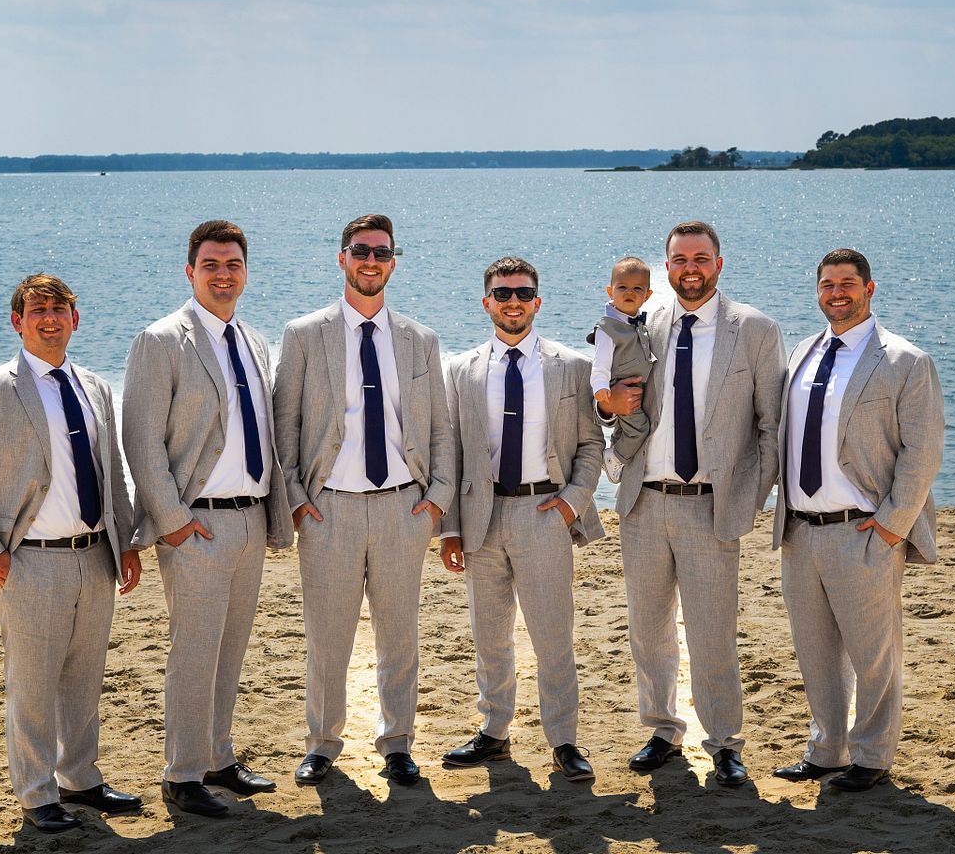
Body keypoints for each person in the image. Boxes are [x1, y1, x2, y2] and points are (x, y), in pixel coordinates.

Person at [0, 273, 142, 833]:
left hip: (94, 557)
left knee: (84, 679)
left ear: (75, 320)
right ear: (18, 322)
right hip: (28, 561)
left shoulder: (96, 388)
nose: (50, 318)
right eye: (37, 311)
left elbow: (112, 478)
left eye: (59, 309)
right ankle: (37, 795)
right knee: (32, 685)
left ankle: (80, 778)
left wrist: (125, 543)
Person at [597, 221, 785, 785]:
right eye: (679, 259)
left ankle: (725, 741)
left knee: (712, 630)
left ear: (719, 264)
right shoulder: (643, 323)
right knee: (648, 627)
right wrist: (607, 410)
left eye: (701, 258)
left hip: (711, 505)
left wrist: (748, 499)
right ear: (666, 267)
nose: (690, 268)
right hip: (644, 502)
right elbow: (613, 399)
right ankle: (662, 730)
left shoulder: (754, 329)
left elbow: (771, 427)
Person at [273, 213, 456, 788]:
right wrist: (300, 502)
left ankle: (397, 742)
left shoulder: (420, 339)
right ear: (342, 259)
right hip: (331, 510)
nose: (370, 261)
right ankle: (324, 742)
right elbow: (285, 428)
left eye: (380, 252)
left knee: (399, 633)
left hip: (405, 507)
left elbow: (442, 429)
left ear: (393, 262)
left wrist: (436, 502)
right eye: (360, 251)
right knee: (328, 636)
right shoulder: (305, 334)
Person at [123, 220, 293, 818]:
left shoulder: (252, 339)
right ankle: (183, 773)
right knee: (193, 652)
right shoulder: (162, 340)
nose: (224, 274)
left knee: (230, 649)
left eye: (234, 264)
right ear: (189, 271)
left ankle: (219, 757)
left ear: (246, 272)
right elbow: (141, 440)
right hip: (195, 523)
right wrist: (171, 520)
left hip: (249, 520)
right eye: (211, 265)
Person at [771, 249, 944, 792]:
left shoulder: (904, 361)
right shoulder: (802, 351)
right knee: (815, 650)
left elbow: (923, 450)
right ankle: (826, 749)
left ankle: (871, 756)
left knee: (873, 653)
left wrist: (894, 524)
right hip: (800, 530)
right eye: (827, 284)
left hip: (863, 530)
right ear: (817, 291)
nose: (836, 292)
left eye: (848, 283)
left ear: (870, 289)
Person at [439, 257, 605, 782]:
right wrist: (450, 527)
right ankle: (494, 733)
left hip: (543, 514)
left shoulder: (571, 368)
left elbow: (590, 444)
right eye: (503, 293)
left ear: (538, 300)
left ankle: (564, 741)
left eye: (523, 293)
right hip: (481, 517)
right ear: (487, 301)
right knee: (490, 637)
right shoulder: (460, 370)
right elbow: (450, 454)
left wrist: (570, 502)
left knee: (553, 635)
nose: (513, 301)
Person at [587, 256, 656, 483]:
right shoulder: (607, 328)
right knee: (640, 429)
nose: (630, 292)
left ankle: (616, 453)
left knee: (626, 430)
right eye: (622, 287)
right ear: (610, 291)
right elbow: (601, 361)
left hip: (637, 390)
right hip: (622, 391)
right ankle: (615, 457)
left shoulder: (638, 323)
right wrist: (600, 387)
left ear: (647, 295)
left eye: (637, 288)